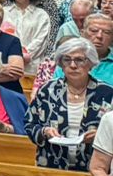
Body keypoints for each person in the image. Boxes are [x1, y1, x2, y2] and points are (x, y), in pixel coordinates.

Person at [27, 38, 113, 168]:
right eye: (67, 60)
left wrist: (101, 135)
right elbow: (30, 123)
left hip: (94, 167)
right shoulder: (48, 90)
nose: (73, 65)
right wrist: (45, 131)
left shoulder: (107, 93)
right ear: (61, 64)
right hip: (51, 164)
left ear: (90, 63)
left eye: (79, 60)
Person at [4, 0, 55, 68]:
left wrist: (23, 56)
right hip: (7, 63)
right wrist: (13, 56)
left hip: (32, 65)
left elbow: (40, 40)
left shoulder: (41, 15)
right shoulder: (3, 12)